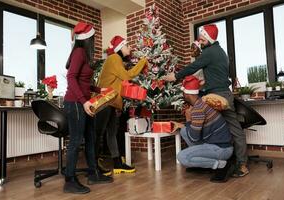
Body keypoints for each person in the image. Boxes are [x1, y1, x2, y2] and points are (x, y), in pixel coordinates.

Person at [163, 24, 249, 177]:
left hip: (217, 96)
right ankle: (231, 162)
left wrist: (175, 76)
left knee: (219, 127)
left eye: (202, 40)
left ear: (209, 39)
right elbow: (217, 74)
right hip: (222, 92)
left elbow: (194, 66)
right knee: (230, 128)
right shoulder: (220, 52)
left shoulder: (210, 52)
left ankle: (239, 164)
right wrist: (205, 84)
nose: (200, 42)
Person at [63, 22, 113, 194]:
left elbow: (83, 82)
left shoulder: (82, 53)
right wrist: (84, 102)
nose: (95, 39)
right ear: (88, 38)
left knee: (91, 137)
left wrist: (99, 90)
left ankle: (93, 173)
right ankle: (69, 180)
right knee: (76, 141)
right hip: (76, 103)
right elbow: (71, 78)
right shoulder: (79, 52)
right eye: (94, 37)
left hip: (85, 102)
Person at [95, 35, 148, 174]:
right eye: (127, 45)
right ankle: (94, 166)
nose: (129, 47)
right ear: (120, 48)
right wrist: (142, 62)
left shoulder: (116, 60)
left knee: (111, 133)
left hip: (112, 102)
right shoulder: (114, 58)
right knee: (99, 134)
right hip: (105, 101)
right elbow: (127, 76)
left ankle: (117, 164)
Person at [176, 76, 234, 182]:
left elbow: (194, 138)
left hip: (221, 150)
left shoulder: (198, 109)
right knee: (184, 131)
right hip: (218, 144)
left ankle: (222, 165)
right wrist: (183, 126)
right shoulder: (203, 102)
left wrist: (188, 120)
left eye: (183, 93)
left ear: (187, 94)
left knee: (182, 157)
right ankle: (203, 163)